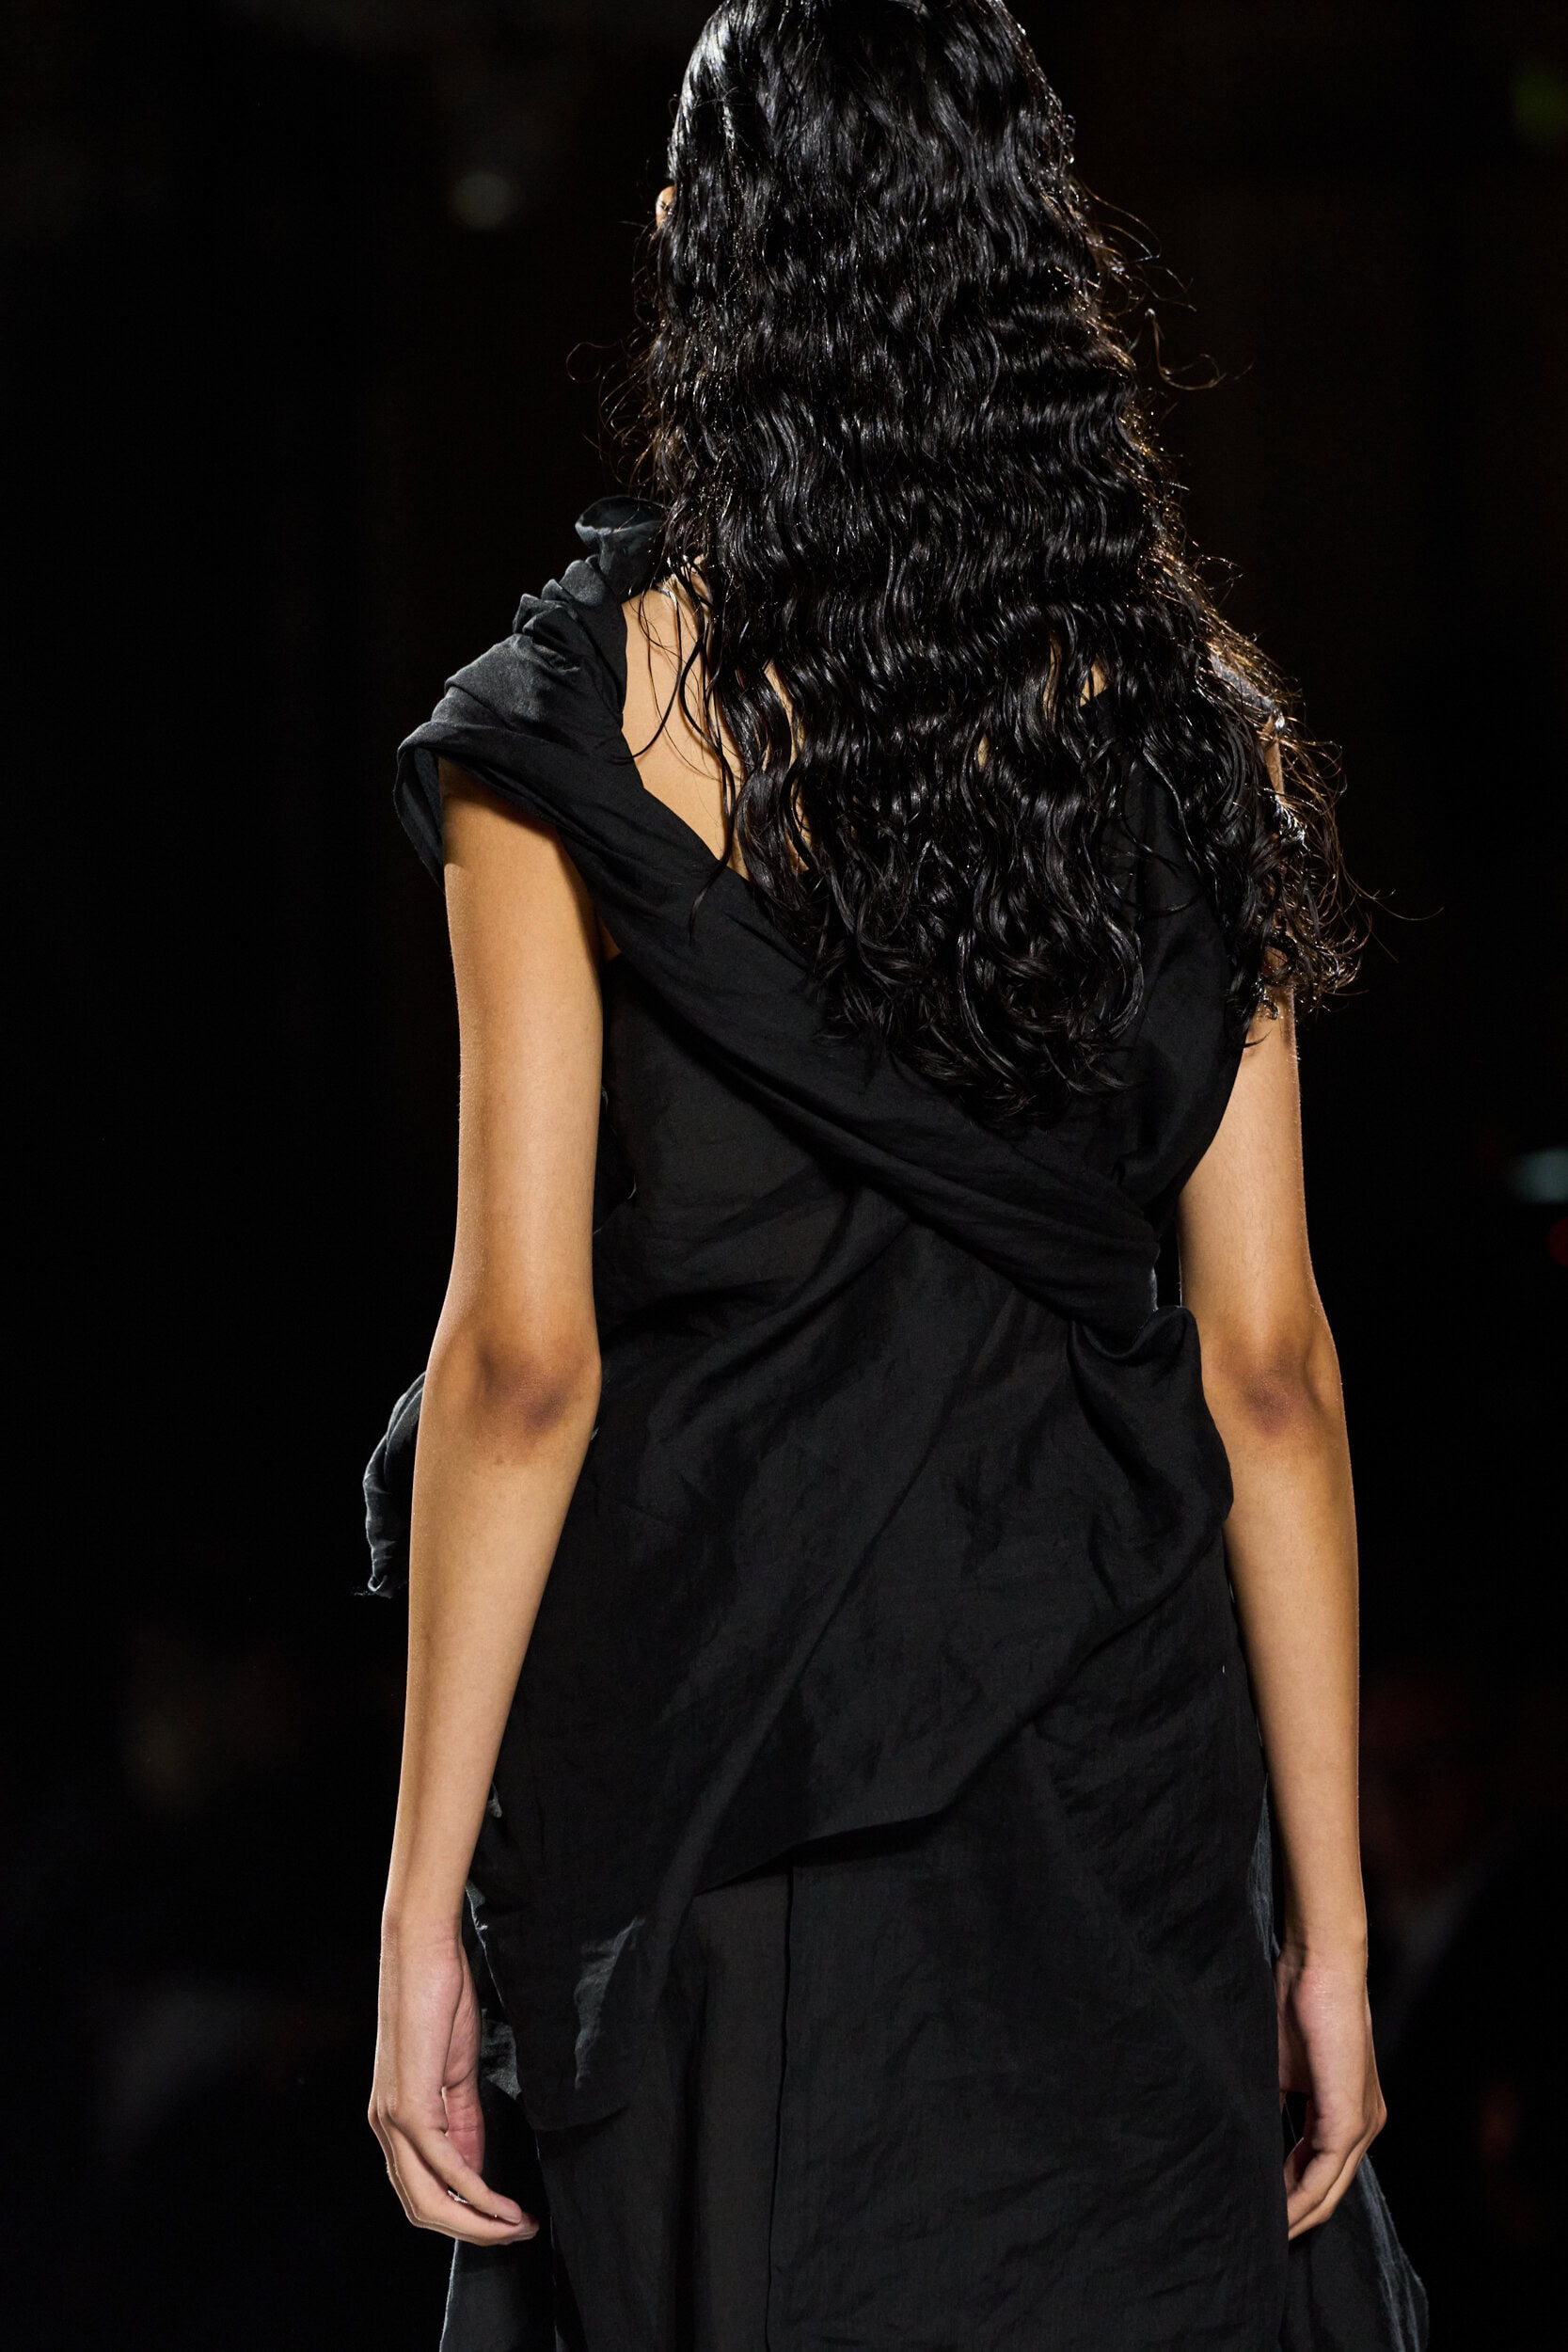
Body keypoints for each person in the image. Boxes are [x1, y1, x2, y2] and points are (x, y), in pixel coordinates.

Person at [365, 5, 1426, 2344]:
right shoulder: (1197, 736)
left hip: (723, 1794)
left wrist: (421, 1902)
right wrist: (1334, 1932)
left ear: (697, 249)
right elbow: (1267, 1366)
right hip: (1117, 1804)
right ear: (1027, 271)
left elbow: (522, 1364)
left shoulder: (566, 745)